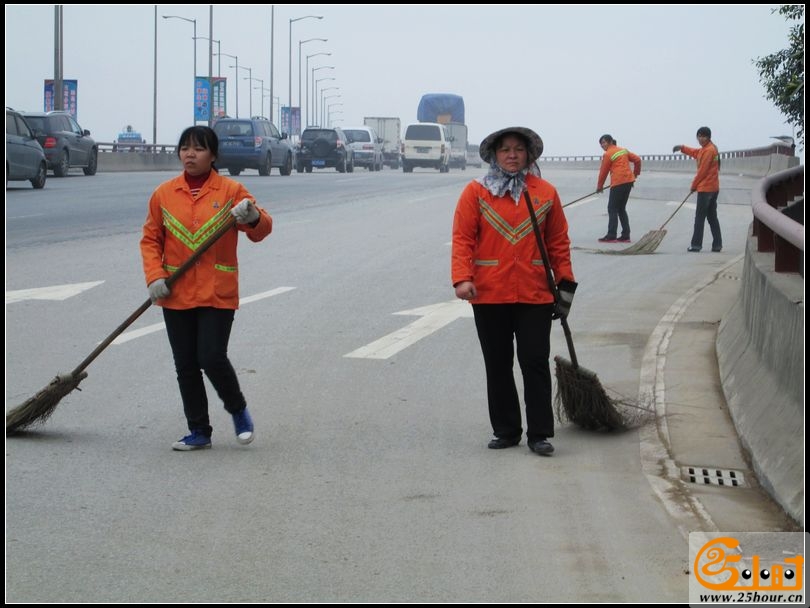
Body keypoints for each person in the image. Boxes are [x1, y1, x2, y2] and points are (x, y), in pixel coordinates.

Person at [140, 126, 273, 451]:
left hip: (216, 292)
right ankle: (199, 431)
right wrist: (155, 276)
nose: (189, 154)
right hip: (176, 293)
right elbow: (150, 239)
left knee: (211, 357)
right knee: (185, 364)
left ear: (213, 155)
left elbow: (262, 230)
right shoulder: (164, 194)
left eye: (198, 149)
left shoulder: (231, 191)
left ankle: (238, 410)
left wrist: (253, 215)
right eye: (184, 148)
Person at [451, 127, 577, 456]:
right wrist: (462, 278)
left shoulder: (545, 192)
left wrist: (565, 285)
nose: (511, 154)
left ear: (529, 155)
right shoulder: (475, 193)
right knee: (498, 362)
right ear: (494, 155)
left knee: (534, 361)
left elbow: (559, 243)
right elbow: (463, 238)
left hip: (535, 294)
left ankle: (539, 434)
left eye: (518, 149)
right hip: (489, 294)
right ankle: (506, 430)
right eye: (505, 149)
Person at [673, 126, 722, 252]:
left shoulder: (709, 150)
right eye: (699, 136)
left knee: (700, 217)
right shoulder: (707, 149)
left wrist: (693, 186)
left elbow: (702, 171)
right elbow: (696, 153)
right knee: (712, 217)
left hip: (706, 189)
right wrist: (682, 148)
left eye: (703, 136)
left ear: (709, 137)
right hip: (713, 188)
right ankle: (717, 245)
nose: (701, 139)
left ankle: (696, 245)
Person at [596, 134, 641, 243]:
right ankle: (626, 236)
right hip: (628, 182)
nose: (602, 145)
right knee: (621, 209)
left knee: (612, 209)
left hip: (618, 183)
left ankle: (611, 236)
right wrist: (635, 174)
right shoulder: (623, 151)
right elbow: (638, 160)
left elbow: (604, 171)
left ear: (610, 141)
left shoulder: (608, 154)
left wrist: (599, 186)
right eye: (601, 143)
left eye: (604, 142)